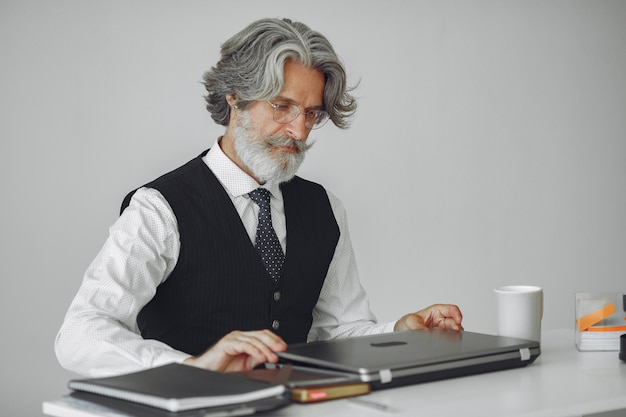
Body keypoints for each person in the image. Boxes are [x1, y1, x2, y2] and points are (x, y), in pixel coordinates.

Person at [55, 17, 463, 378]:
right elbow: (81, 332)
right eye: (283, 107)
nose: (299, 131)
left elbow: (336, 331)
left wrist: (400, 333)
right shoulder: (160, 208)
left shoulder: (325, 209)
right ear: (235, 96)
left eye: (311, 114)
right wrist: (191, 368)